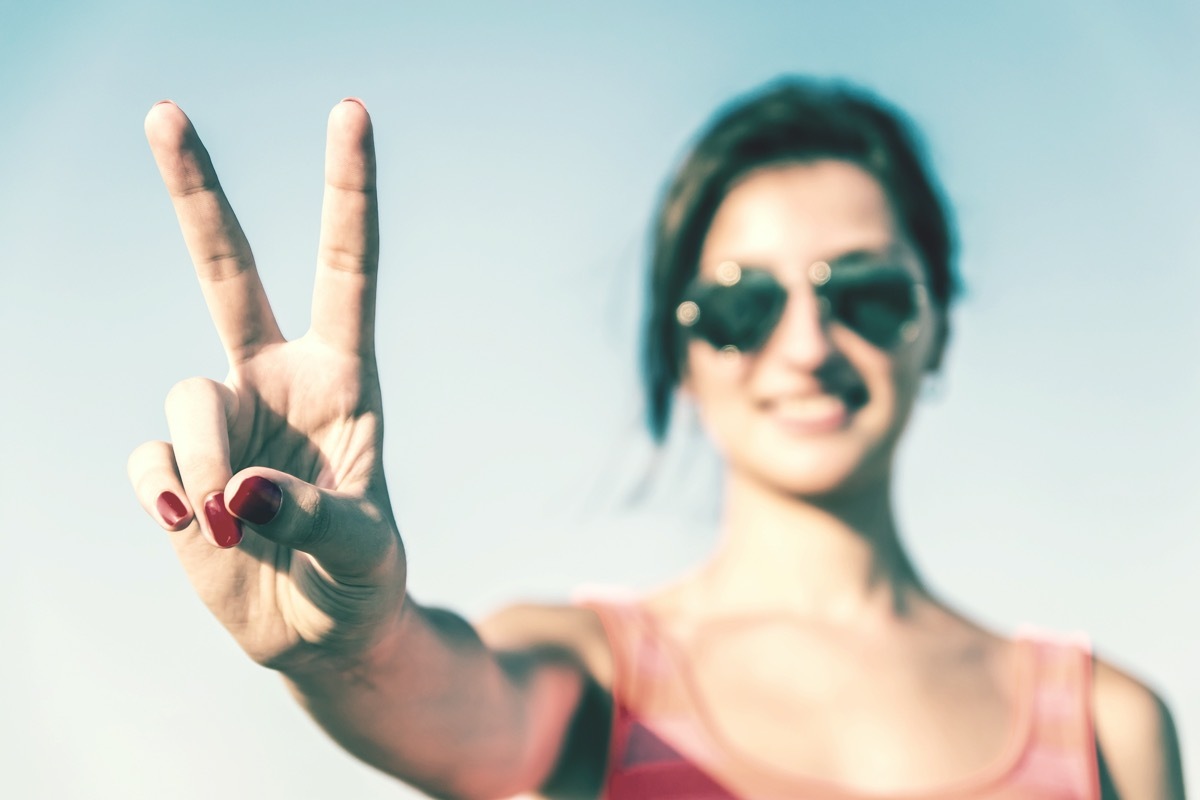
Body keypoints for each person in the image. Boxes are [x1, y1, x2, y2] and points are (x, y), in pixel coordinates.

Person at [126, 80, 1185, 799]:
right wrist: (352, 644)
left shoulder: (1110, 726)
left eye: (864, 294)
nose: (807, 345)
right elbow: (448, 700)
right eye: (741, 303)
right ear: (677, 348)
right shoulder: (590, 672)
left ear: (935, 323)